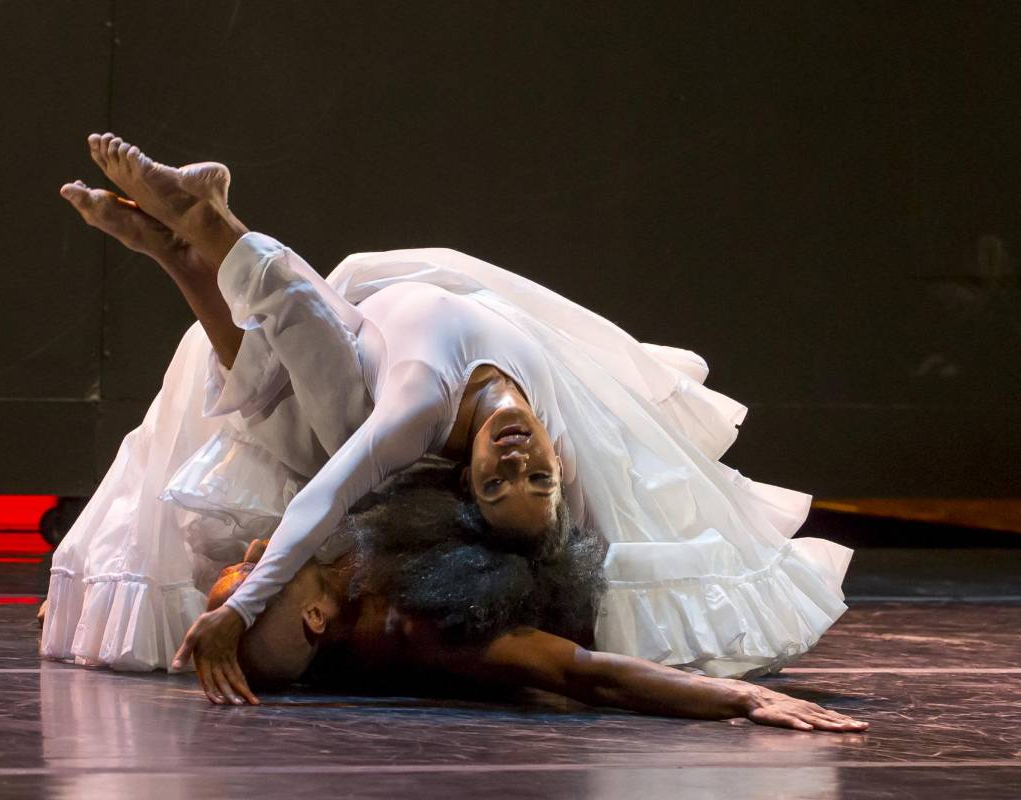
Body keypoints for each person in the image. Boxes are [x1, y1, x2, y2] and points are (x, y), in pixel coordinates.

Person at [43, 133, 851, 708]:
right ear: (561, 470)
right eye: (536, 478)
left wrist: (239, 605)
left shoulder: (418, 414)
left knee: (304, 428)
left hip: (374, 341)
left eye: (498, 483)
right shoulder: (568, 448)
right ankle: (202, 233)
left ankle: (195, 243)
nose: (518, 460)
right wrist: (735, 695)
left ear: (468, 479)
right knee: (315, 428)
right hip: (404, 323)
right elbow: (591, 662)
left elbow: (321, 499)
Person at [199, 463, 867, 733]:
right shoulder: (415, 624)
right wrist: (739, 698)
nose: (256, 551)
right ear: (315, 616)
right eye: (253, 581)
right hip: (609, 579)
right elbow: (580, 672)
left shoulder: (345, 566)